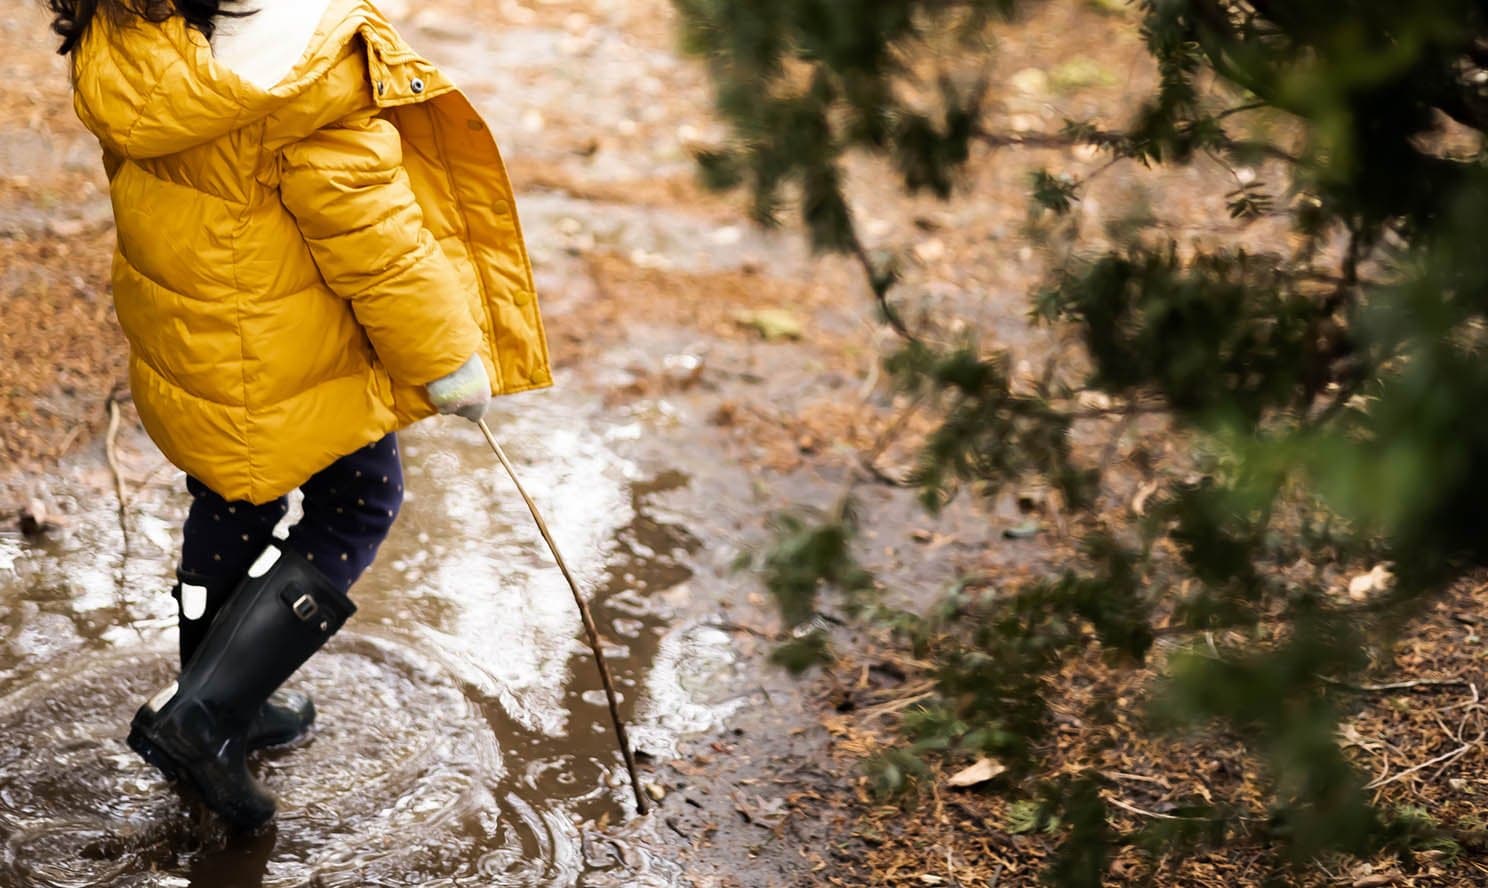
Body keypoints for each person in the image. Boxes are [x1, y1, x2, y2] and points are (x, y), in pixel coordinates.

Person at [51, 0, 552, 830]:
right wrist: (447, 364)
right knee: (359, 500)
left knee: (228, 504)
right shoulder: (303, 60)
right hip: (293, 351)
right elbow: (373, 237)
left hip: (199, 340)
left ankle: (214, 699)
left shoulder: (130, 28)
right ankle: (206, 717)